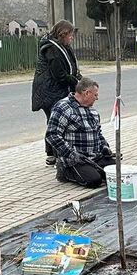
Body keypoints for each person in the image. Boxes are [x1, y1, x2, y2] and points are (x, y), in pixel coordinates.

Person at [46, 77, 116, 188]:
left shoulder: (92, 111)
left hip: (94, 157)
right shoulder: (63, 107)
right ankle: (64, 172)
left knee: (117, 173)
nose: (97, 98)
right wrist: (71, 154)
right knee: (94, 180)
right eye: (95, 95)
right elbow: (52, 135)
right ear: (87, 93)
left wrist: (105, 147)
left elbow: (98, 133)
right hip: (75, 159)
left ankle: (94, 169)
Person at [31, 20, 81, 167]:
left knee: (55, 121)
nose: (72, 38)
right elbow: (59, 75)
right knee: (55, 122)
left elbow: (72, 68)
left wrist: (80, 79)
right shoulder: (51, 50)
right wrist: (77, 83)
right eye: (70, 35)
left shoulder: (63, 47)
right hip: (49, 92)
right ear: (63, 34)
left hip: (56, 90)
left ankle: (54, 153)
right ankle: (54, 154)